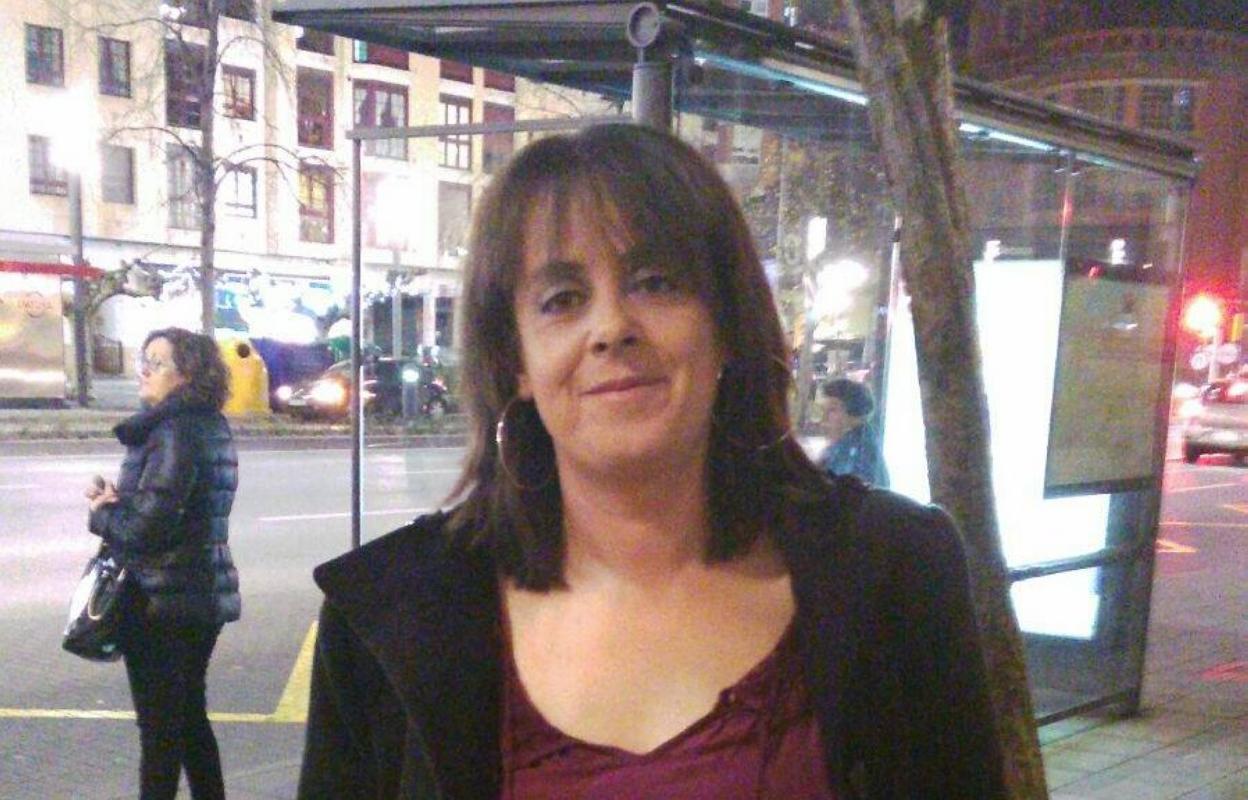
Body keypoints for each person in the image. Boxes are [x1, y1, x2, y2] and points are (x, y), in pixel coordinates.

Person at [298, 123, 1005, 799]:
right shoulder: (389, 621)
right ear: (515, 359)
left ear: (727, 324)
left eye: (656, 282)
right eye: (562, 299)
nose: (611, 327)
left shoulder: (893, 572)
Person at [86, 327, 241, 800]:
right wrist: (122, 502)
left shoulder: (172, 431)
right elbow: (177, 509)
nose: (144, 371)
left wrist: (102, 513)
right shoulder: (206, 424)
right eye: (144, 360)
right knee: (188, 721)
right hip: (198, 594)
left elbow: (146, 530)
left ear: (187, 374)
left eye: (157, 363)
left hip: (161, 602)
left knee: (159, 733)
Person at [817, 377, 890, 487]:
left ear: (855, 415)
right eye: (823, 410)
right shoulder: (838, 449)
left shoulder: (859, 457)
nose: (823, 418)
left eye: (832, 410)